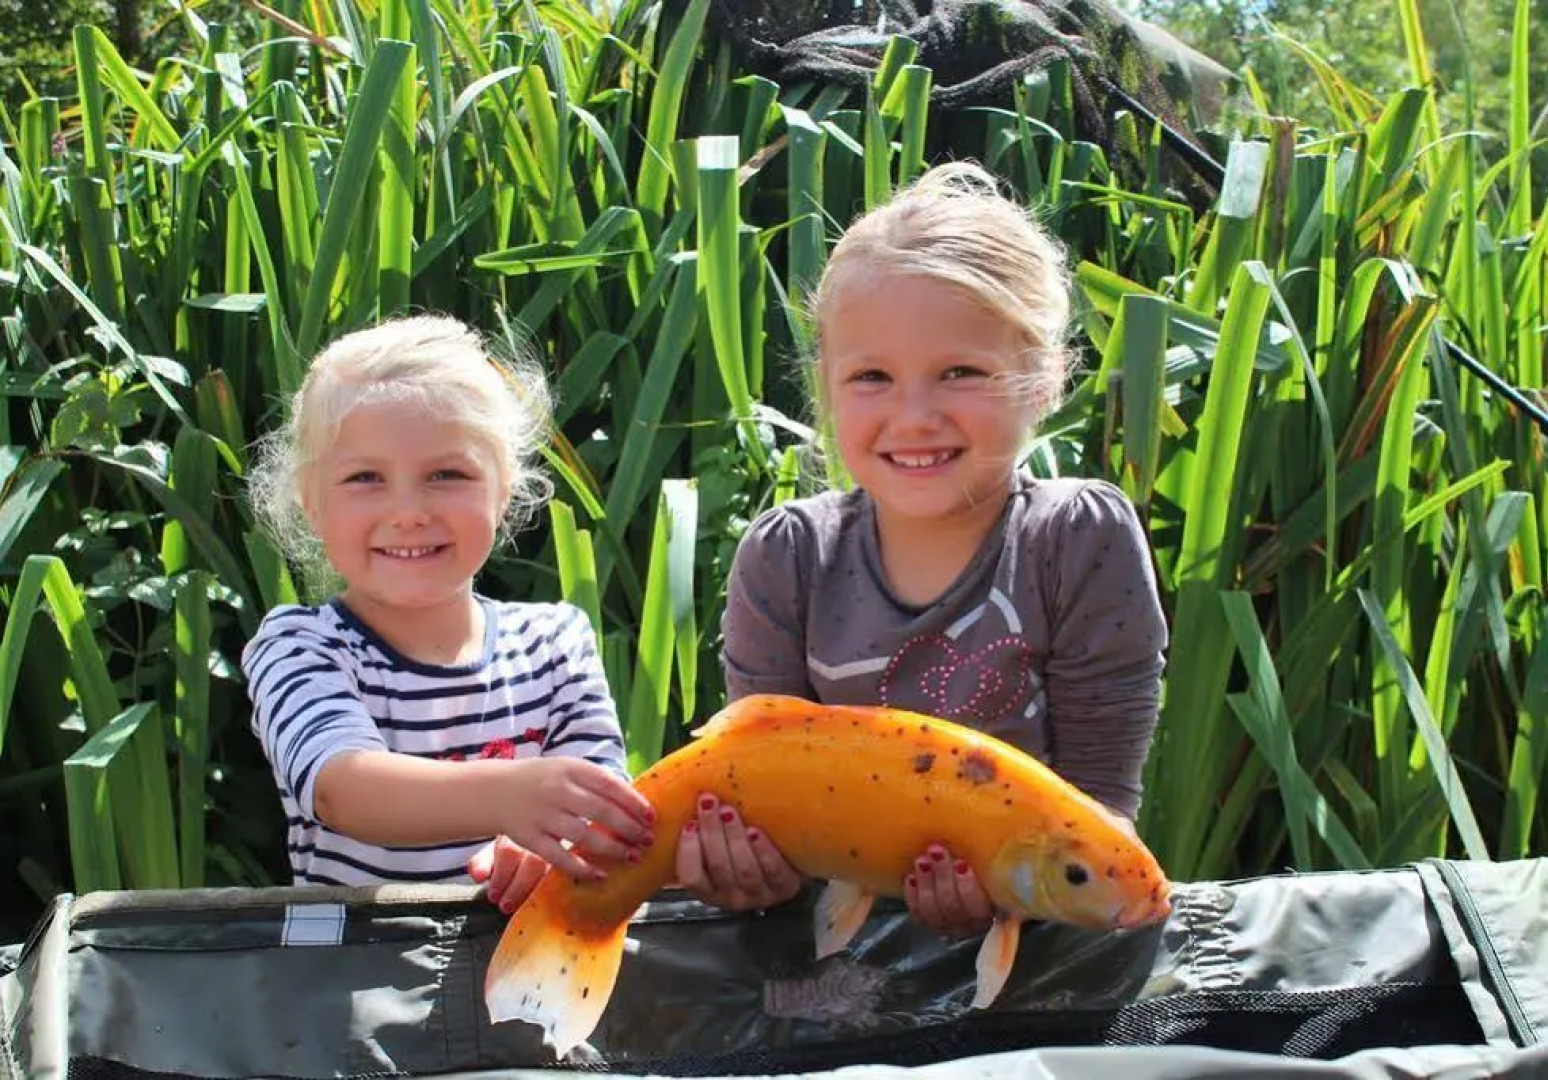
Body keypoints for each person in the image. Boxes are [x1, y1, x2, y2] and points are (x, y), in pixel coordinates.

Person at [675, 162, 1169, 941]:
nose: (914, 416)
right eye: (871, 376)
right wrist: (746, 872)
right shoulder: (788, 557)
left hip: (1037, 939)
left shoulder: (1076, 540)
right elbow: (757, 792)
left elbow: (1100, 813)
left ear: (1042, 381)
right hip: (826, 948)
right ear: (828, 389)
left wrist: (1005, 898)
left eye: (960, 373)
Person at [241, 314, 654, 915]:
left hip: (530, 958)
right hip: (354, 977)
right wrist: (512, 796)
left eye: (446, 474)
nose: (408, 511)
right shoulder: (298, 646)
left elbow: (599, 812)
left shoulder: (555, 643)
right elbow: (342, 790)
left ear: (504, 488)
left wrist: (550, 848)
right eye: (365, 478)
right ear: (312, 503)